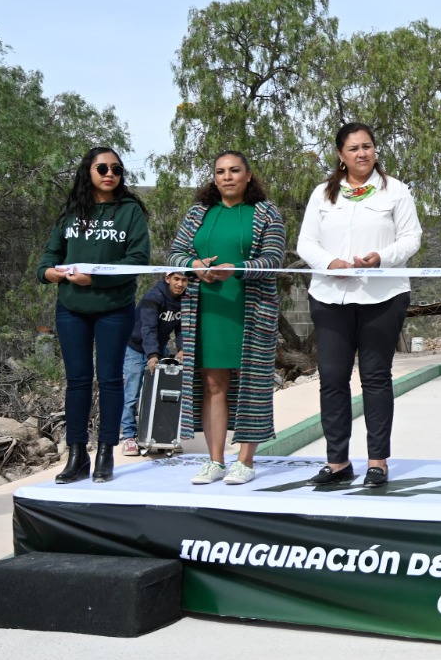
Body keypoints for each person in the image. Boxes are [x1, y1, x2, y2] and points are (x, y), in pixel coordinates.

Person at [298, 122, 422, 488]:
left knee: (375, 378)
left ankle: (377, 462)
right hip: (329, 297)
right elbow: (306, 242)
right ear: (341, 155)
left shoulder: (395, 192)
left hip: (382, 297)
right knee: (333, 379)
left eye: (367, 146)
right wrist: (329, 263)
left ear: (375, 150)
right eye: (353, 148)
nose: (362, 153)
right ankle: (337, 463)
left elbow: (412, 238)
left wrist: (381, 257)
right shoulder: (323, 194)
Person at [167, 151, 286, 486]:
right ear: (214, 178)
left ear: (248, 176)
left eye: (235, 171)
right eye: (221, 172)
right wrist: (195, 267)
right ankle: (215, 460)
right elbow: (175, 254)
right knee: (212, 384)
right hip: (206, 307)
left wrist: (237, 269)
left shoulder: (266, 213)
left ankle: (245, 461)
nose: (228, 177)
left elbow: (274, 260)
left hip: (251, 310)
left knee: (254, 385)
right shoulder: (198, 213)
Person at [38, 147, 152, 484]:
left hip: (114, 309)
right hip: (71, 309)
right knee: (77, 381)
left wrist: (96, 278)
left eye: (116, 169)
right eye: (102, 167)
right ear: (88, 171)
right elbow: (49, 256)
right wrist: (49, 273)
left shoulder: (130, 211)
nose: (109, 174)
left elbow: (138, 260)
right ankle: (76, 456)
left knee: (111, 379)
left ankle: (105, 453)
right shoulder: (72, 211)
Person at [119, 270, 187, 454]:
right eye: (176, 279)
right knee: (132, 394)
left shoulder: (184, 299)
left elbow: (182, 328)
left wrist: (181, 349)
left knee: (164, 393)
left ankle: (163, 435)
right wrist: (152, 356)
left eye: (184, 280)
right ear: (167, 279)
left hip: (158, 348)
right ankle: (129, 437)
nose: (180, 284)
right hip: (136, 348)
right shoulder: (153, 297)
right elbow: (148, 328)